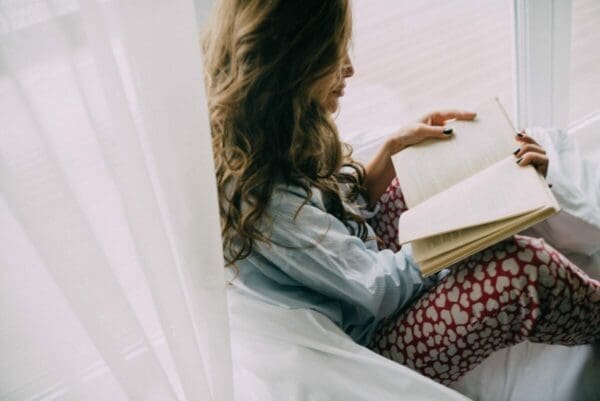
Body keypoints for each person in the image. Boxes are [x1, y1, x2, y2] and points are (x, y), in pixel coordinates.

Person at [202, 0, 600, 385]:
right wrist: (455, 231)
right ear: (292, 66)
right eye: (334, 54)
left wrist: (390, 154)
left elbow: (331, 220)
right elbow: (376, 291)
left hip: (363, 284)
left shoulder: (267, 131)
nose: (350, 69)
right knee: (521, 271)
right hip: (370, 343)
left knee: (431, 169)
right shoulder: (265, 201)